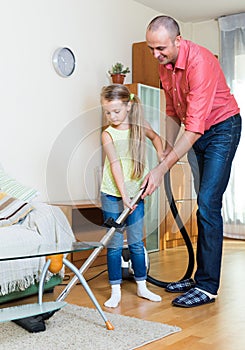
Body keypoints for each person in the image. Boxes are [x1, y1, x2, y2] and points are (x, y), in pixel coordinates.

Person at [141, 15, 242, 308]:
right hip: (199, 130)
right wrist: (168, 149)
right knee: (203, 202)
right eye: (151, 49)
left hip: (223, 128)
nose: (156, 55)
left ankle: (208, 287)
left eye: (161, 48)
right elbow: (174, 112)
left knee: (209, 202)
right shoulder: (165, 68)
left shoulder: (200, 62)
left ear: (178, 41)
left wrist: (162, 167)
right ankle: (199, 277)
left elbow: (195, 127)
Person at [100, 84, 163, 308]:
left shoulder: (139, 127)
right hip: (112, 194)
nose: (112, 116)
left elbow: (155, 137)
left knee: (136, 242)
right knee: (115, 244)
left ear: (128, 106)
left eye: (116, 111)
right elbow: (115, 165)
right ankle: (115, 290)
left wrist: (161, 156)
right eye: (107, 112)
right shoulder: (107, 134)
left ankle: (142, 287)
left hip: (136, 194)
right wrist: (124, 195)